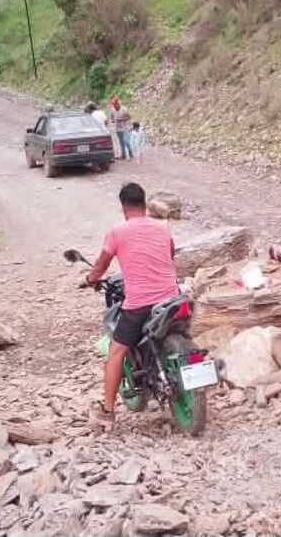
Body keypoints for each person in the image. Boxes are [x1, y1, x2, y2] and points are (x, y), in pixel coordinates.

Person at [82, 182, 178, 430]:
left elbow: (101, 266)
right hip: (172, 298)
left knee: (116, 351)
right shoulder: (162, 227)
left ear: (124, 207)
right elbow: (170, 254)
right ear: (144, 205)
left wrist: (91, 279)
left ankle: (107, 412)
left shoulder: (117, 231)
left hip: (140, 305)